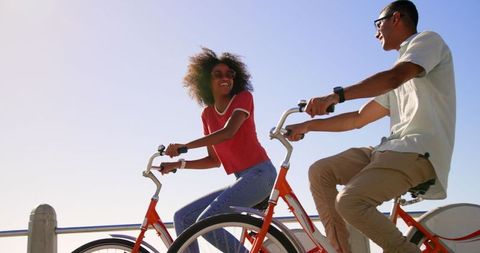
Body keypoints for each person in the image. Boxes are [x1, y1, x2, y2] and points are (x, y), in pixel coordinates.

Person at [285, 1, 455, 252]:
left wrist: (335, 96)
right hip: (388, 151)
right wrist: (308, 126)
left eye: (378, 24)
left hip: (417, 152)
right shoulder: (400, 70)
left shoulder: (427, 42)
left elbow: (393, 77)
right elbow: (358, 119)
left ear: (396, 18)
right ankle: (343, 249)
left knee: (350, 202)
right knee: (320, 172)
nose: (376, 33)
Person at [160, 48, 277, 252]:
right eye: (218, 74)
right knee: (183, 218)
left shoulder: (243, 98)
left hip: (261, 175)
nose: (225, 78)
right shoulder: (207, 115)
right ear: (205, 80)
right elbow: (213, 160)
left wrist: (184, 146)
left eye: (229, 74)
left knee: (206, 222)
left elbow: (228, 132)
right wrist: (178, 163)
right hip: (243, 178)